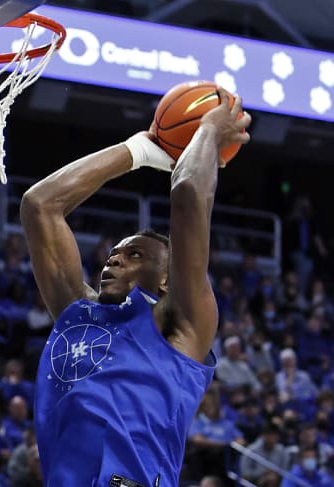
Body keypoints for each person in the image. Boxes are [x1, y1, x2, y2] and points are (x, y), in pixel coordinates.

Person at [21, 88, 251, 486]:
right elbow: (40, 204)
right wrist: (137, 150)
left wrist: (210, 130)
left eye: (135, 255)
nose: (115, 259)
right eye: (114, 253)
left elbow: (189, 192)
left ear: (166, 278)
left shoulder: (182, 325)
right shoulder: (78, 315)